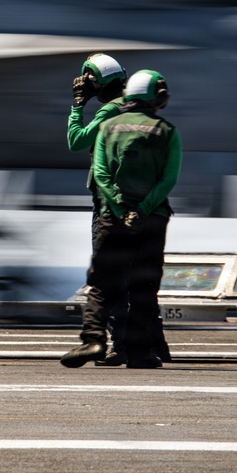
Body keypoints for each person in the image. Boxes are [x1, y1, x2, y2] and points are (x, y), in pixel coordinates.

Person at [61, 69, 181, 369]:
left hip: (110, 217)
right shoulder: (166, 131)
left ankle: (93, 339)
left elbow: (100, 173)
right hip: (151, 218)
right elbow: (168, 179)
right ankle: (140, 352)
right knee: (143, 285)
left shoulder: (107, 126)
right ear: (159, 97)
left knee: (102, 283)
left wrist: (119, 207)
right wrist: (142, 209)